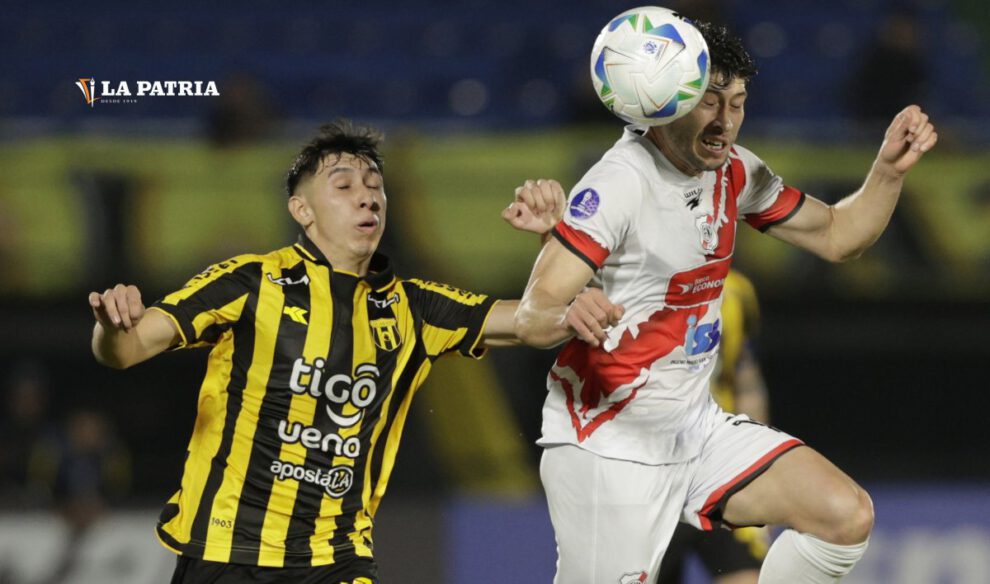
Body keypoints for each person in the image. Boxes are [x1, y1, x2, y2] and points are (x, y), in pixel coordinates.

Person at [508, 16, 937, 584]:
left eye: (738, 102)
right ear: (667, 98)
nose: (727, 121)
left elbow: (837, 236)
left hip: (697, 430)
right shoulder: (619, 183)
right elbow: (531, 315)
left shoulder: (736, 172)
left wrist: (885, 172)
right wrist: (566, 310)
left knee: (844, 514)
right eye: (711, 102)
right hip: (607, 447)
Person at [88, 120, 563, 584]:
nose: (367, 196)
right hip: (226, 550)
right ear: (302, 210)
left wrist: (554, 240)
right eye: (344, 185)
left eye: (376, 186)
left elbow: (535, 323)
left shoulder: (414, 308)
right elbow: (125, 349)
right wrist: (112, 326)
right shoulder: (249, 283)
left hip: (337, 558)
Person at [657, 270, 769, 584]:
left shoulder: (737, 291)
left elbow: (746, 383)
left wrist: (756, 466)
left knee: (748, 575)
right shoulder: (631, 284)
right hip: (650, 477)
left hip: (718, 466)